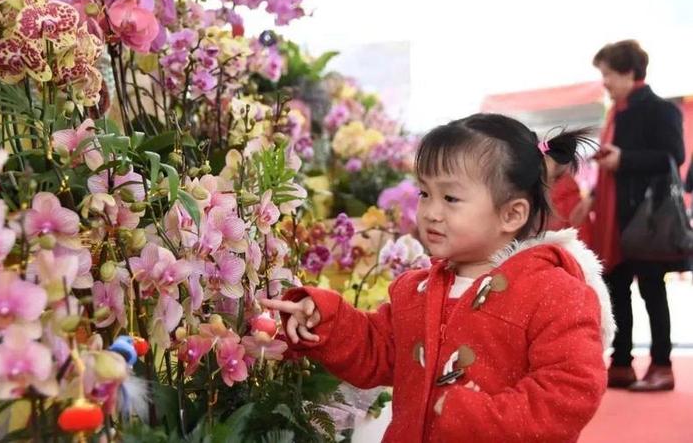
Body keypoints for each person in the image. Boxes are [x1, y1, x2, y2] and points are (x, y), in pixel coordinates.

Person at [262, 113, 614, 443]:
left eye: (450, 197)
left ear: (512, 214)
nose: (430, 212)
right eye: (425, 193)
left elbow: (570, 392)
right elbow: (378, 351)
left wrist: (477, 417)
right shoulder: (416, 289)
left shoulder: (555, 292)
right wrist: (326, 319)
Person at [591, 40, 684, 392]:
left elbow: (673, 156)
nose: (605, 83)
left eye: (607, 75)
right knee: (616, 291)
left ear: (629, 73)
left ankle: (661, 364)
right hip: (617, 216)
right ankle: (621, 363)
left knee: (651, 291)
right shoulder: (618, 110)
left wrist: (624, 159)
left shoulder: (660, 109)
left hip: (647, 220)